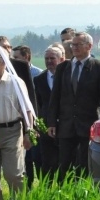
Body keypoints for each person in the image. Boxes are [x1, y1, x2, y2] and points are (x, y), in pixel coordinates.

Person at [46, 32, 100, 180]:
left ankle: (84, 193)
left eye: (78, 45)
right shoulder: (63, 67)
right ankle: (64, 193)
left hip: (88, 124)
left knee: (85, 164)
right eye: (72, 45)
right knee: (64, 164)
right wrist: (51, 122)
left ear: (89, 46)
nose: (74, 48)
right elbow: (55, 97)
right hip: (66, 124)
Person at [0, 46, 34, 200]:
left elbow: (27, 110)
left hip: (12, 131)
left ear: (3, 60)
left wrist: (28, 132)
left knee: (14, 174)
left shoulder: (16, 82)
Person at [33, 45, 65, 178]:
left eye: (52, 58)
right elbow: (39, 104)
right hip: (46, 127)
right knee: (47, 161)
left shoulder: (68, 77)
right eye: (46, 58)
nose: (49, 61)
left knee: (64, 161)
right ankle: (46, 189)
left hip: (65, 125)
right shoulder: (39, 79)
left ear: (61, 59)